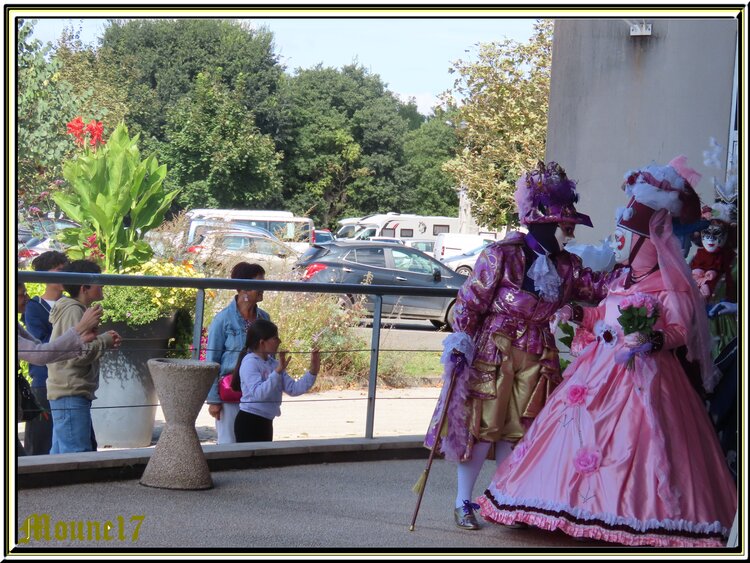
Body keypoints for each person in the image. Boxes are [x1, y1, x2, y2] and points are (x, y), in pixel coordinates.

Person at [477, 156, 737, 547]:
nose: (618, 241)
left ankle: (635, 513)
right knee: (573, 431)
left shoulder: (670, 288)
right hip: (598, 370)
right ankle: (559, 504)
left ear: (650, 245)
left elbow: (682, 329)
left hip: (651, 381)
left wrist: (653, 339)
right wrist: (578, 312)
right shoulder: (622, 282)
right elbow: (604, 313)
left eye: (627, 236)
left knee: (648, 443)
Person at [424, 161, 614, 530]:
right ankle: (463, 500)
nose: (570, 233)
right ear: (544, 223)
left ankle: (504, 499)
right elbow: (469, 303)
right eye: (566, 225)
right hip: (494, 352)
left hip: (539, 354)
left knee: (524, 429)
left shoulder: (569, 267)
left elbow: (602, 287)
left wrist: (643, 267)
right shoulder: (500, 256)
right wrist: (461, 343)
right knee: (484, 428)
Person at [16, 282, 103, 455]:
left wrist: (79, 338)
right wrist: (79, 330)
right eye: (21, 294)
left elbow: (43, 349)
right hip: (67, 391)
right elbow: (40, 355)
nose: (26, 298)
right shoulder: (71, 309)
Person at [47, 260, 122, 454]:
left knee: (61, 454)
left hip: (68, 392)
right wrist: (105, 340)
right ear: (84, 287)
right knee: (76, 455)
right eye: (98, 280)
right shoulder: (74, 310)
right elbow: (75, 354)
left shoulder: (73, 309)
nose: (103, 284)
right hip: (70, 392)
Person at [205, 262, 270, 444]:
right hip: (231, 391)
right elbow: (212, 360)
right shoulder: (222, 320)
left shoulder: (265, 319)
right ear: (244, 288)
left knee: (258, 443)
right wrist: (213, 400)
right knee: (229, 443)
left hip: (258, 393)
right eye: (260, 283)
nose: (264, 288)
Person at [231, 318, 319, 442]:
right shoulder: (250, 363)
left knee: (265, 461)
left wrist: (313, 371)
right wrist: (277, 371)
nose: (279, 341)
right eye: (275, 338)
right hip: (249, 421)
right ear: (262, 342)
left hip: (266, 421)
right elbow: (259, 394)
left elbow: (293, 389)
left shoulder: (273, 363)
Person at [22, 251, 69, 455]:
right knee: (40, 441)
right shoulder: (33, 307)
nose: (65, 275)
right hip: (44, 380)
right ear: (44, 276)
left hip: (67, 380)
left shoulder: (70, 303)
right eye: (59, 270)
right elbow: (39, 345)